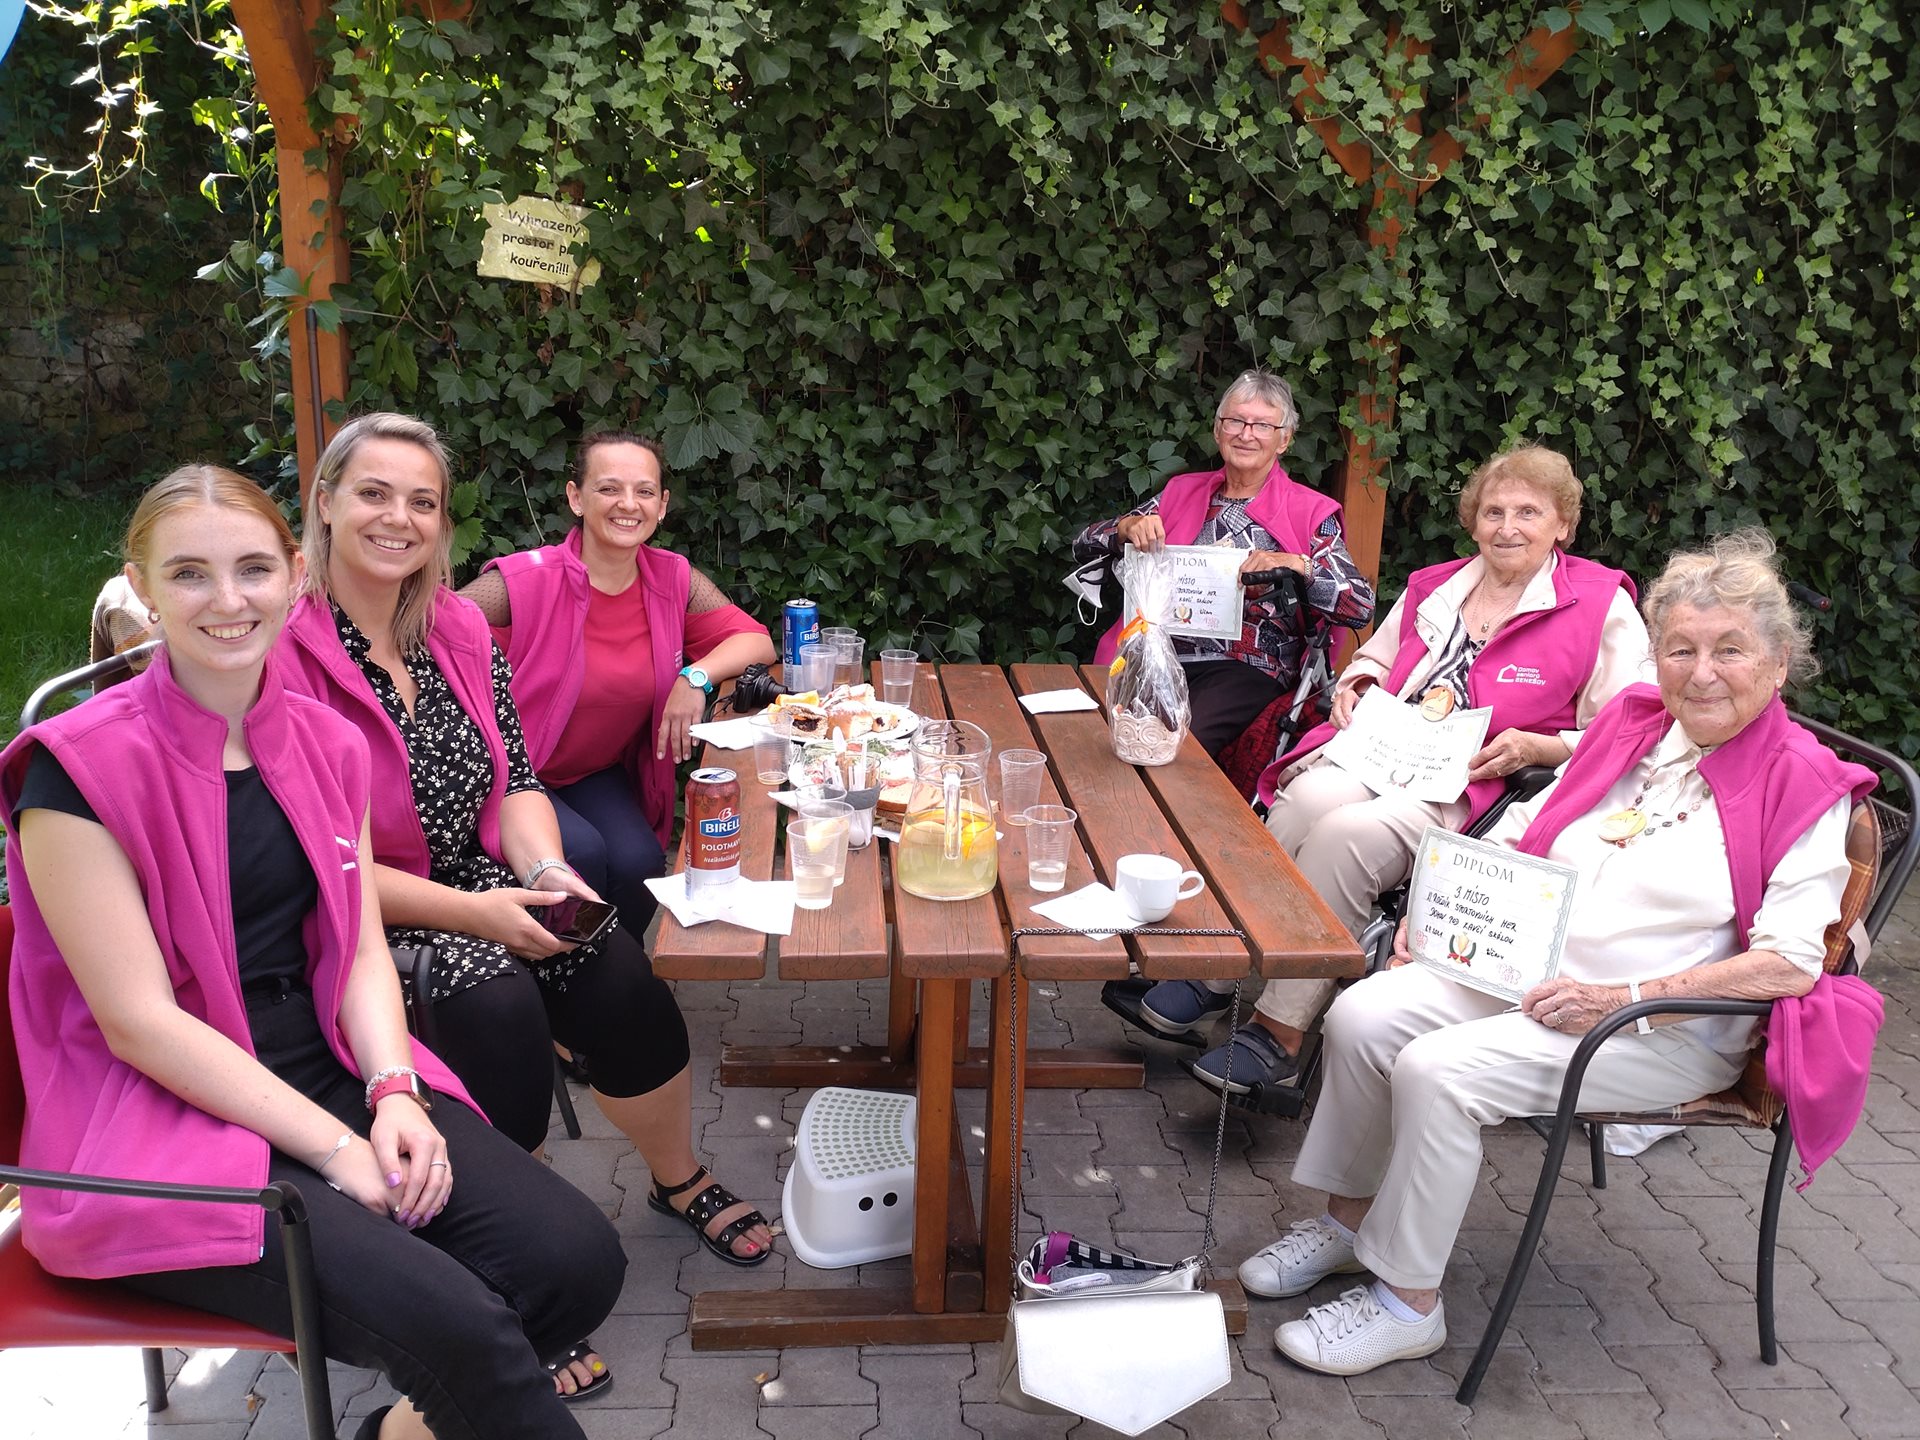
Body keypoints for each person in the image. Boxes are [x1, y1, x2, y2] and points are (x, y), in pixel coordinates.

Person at [1, 465, 625, 1440]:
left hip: (321, 1060)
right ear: (143, 587)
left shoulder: (325, 743)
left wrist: (393, 1092)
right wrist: (339, 1153)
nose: (228, 599)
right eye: (190, 573)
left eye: (253, 568)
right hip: (162, 1119)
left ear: (296, 573)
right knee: (469, 1331)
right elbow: (139, 1025)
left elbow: (359, 943)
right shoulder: (74, 772)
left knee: (576, 1263)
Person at [1239, 531, 1869, 1377]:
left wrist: (1619, 998)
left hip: (1658, 1026)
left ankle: (1406, 1302)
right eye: (1680, 649)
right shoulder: (1638, 726)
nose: (1701, 673)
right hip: (1530, 971)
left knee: (1439, 1071)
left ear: (1780, 663)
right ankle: (1349, 1227)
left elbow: (1790, 964)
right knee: (1363, 1013)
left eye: (1730, 650)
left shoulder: (1806, 783)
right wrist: (1441, 920)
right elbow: (1530, 826)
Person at [278, 413, 774, 1284]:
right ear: (324, 502)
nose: (399, 517)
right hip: (350, 919)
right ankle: (517, 1249)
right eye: (373, 494)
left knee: (620, 974)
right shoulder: (285, 654)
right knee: (499, 1007)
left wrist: (546, 870)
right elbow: (316, 863)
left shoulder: (452, 630)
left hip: (479, 875)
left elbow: (513, 780)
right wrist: (479, 913)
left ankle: (678, 1178)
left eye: (421, 501)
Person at [1109, 444, 1649, 1094]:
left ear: (1562, 523)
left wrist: (1543, 748)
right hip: (1389, 749)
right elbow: (1377, 660)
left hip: (1478, 781)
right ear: (1474, 522)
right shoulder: (1439, 584)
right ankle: (1221, 971)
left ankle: (1279, 1029)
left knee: (1346, 837)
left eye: (1528, 513)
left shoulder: (1600, 604)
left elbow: (1629, 723)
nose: (1507, 527)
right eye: (1494, 512)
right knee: (1302, 803)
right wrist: (1358, 685)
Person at [457, 430, 774, 935]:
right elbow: (429, 628)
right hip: (515, 775)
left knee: (638, 860)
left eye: (644, 491)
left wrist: (694, 676)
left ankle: (607, 965)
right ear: (576, 498)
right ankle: (577, 971)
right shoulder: (524, 581)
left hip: (589, 772)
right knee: (581, 854)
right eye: (608, 488)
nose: (628, 504)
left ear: (662, 505)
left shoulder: (670, 580)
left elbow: (755, 641)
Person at [1072, 369, 1375, 757]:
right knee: (1093, 735)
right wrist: (1125, 528)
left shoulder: (1310, 511)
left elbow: (1359, 606)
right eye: (1235, 421)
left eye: (1263, 425)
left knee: (1175, 744)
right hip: (1157, 653)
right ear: (1218, 431)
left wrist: (1299, 564)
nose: (1246, 434)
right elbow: (1084, 545)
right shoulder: (1181, 492)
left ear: (1284, 440)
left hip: (1247, 667)